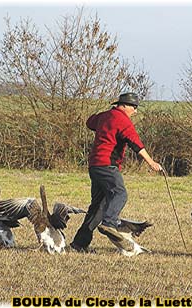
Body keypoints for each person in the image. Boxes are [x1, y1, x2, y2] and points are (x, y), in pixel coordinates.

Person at [70, 92, 163, 253]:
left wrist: (101, 115)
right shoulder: (123, 121)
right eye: (134, 107)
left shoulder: (104, 116)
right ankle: (109, 223)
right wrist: (151, 162)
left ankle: (79, 243)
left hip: (94, 166)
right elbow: (136, 144)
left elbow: (90, 122)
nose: (135, 111)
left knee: (97, 207)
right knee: (120, 194)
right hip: (107, 165)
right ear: (124, 106)